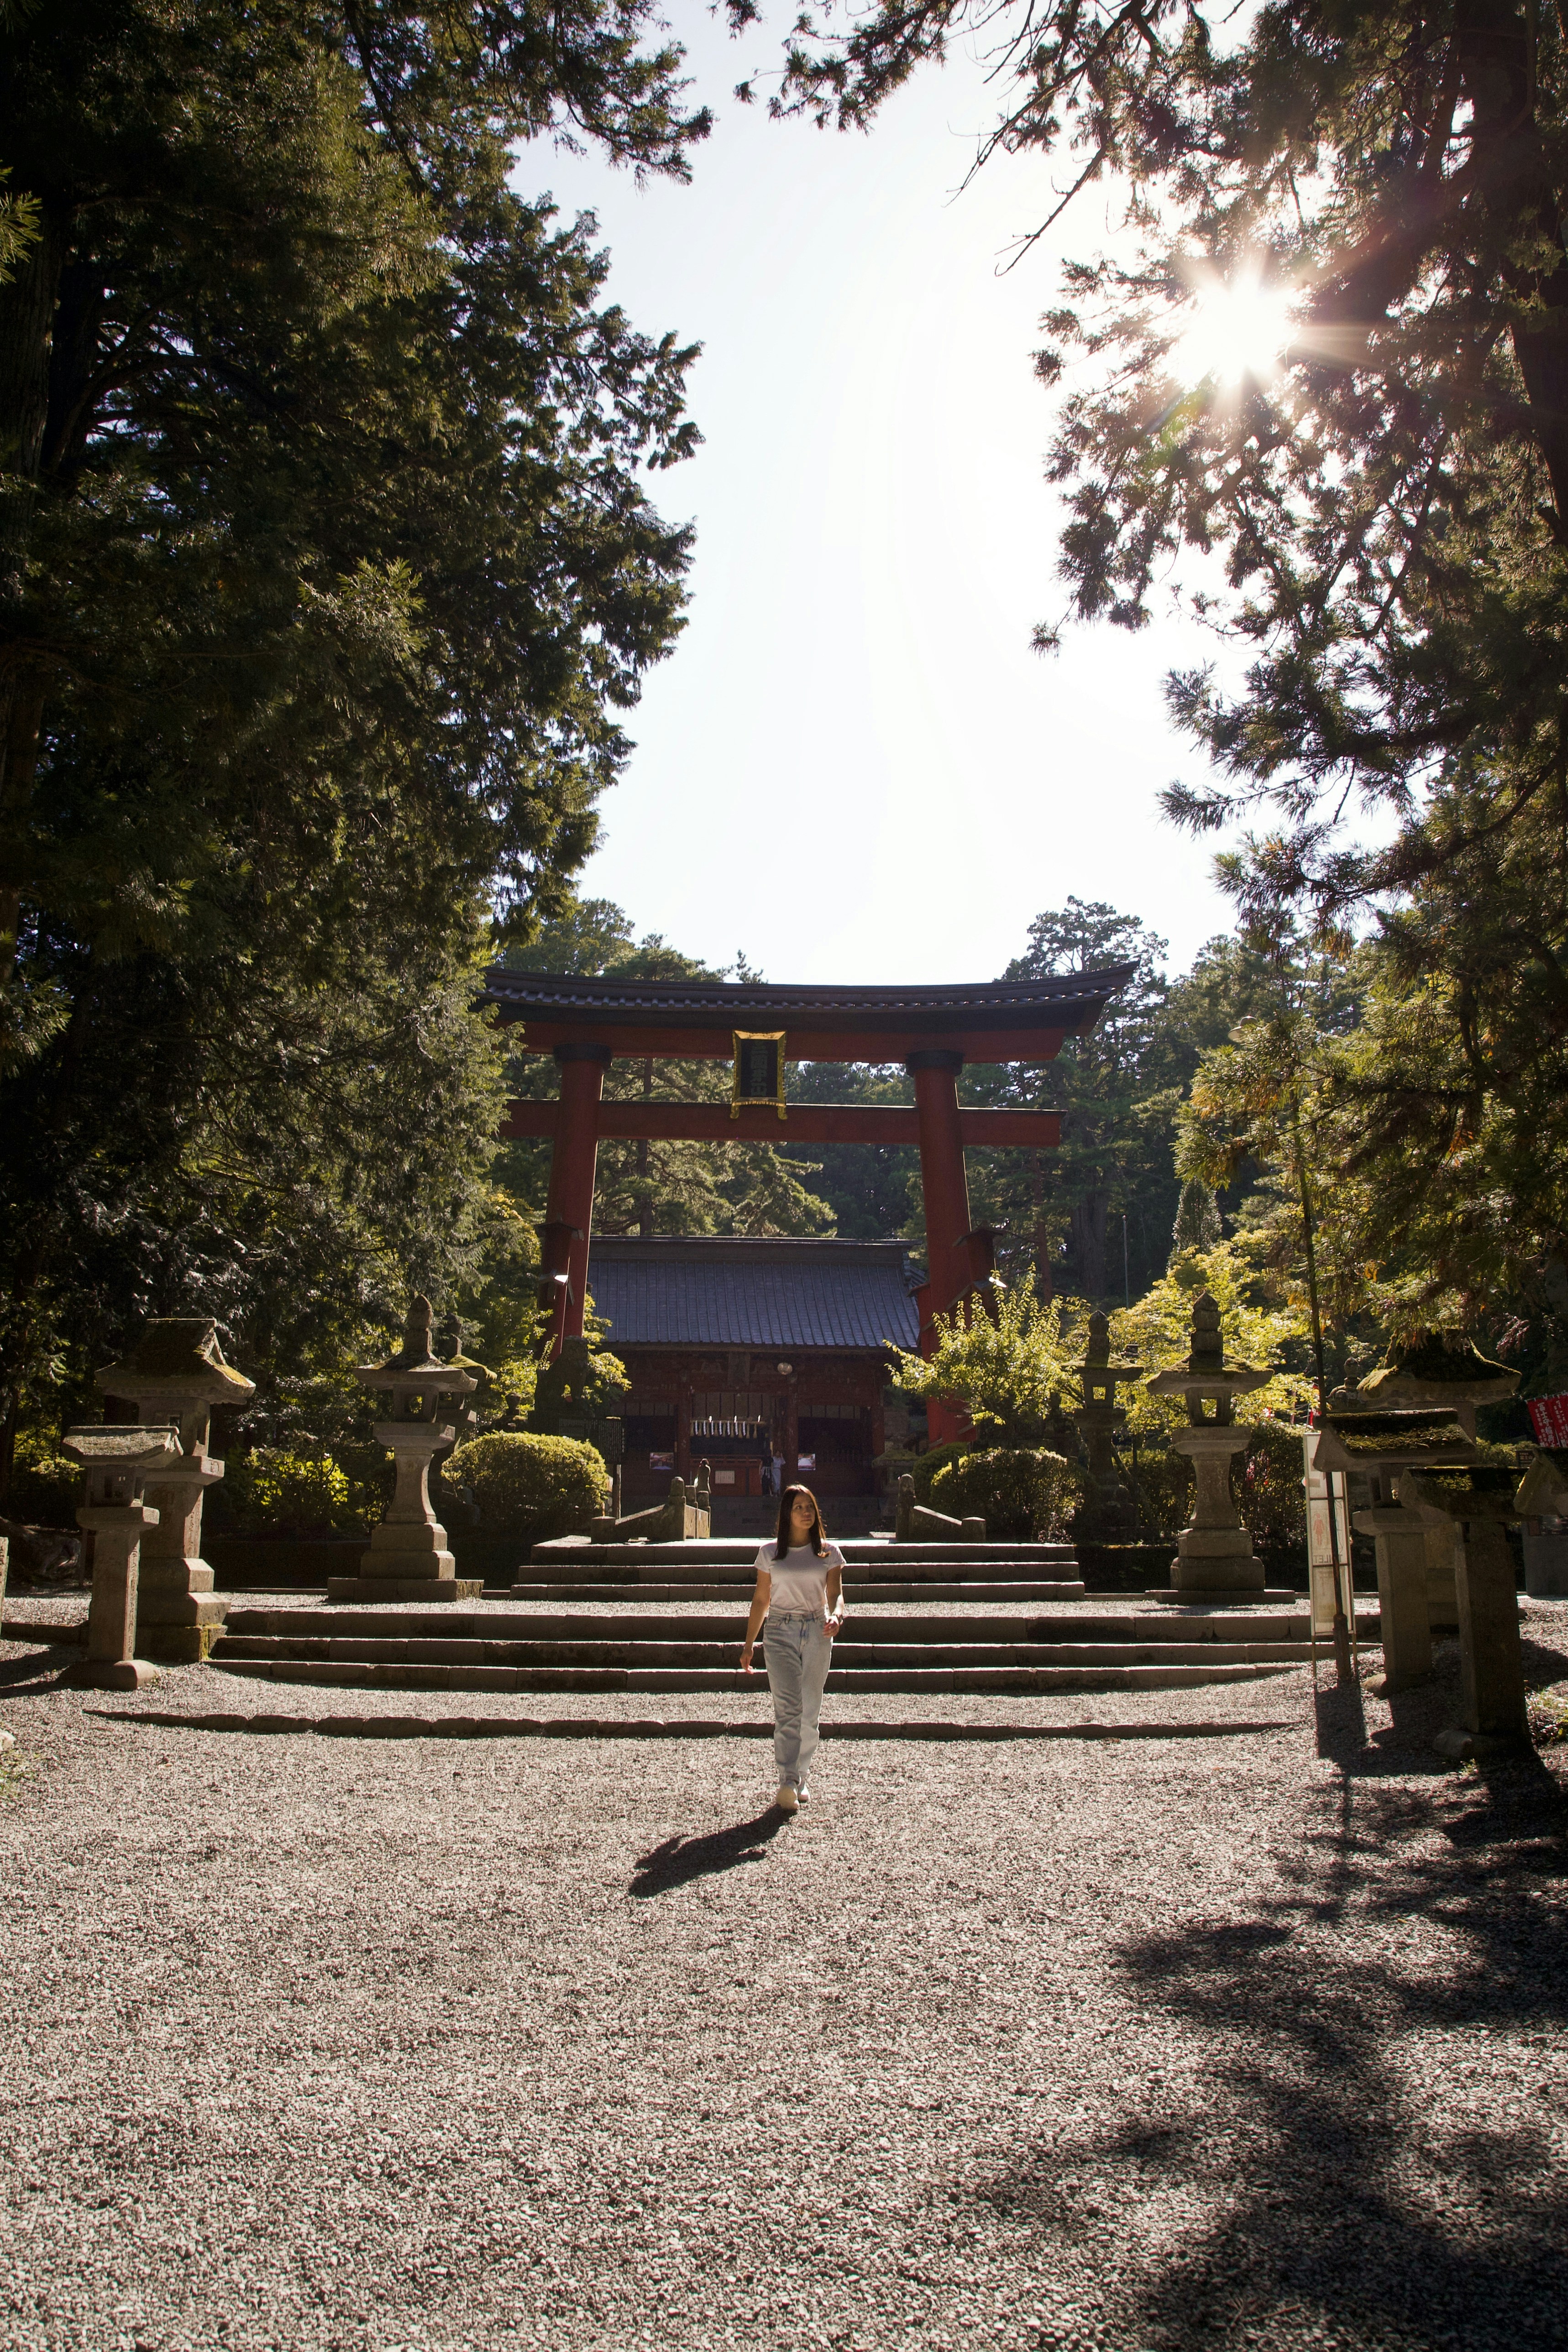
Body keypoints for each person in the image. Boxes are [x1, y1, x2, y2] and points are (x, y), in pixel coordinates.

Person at [740, 1484, 845, 1813]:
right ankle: (787, 1780)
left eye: (809, 1507)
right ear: (786, 1514)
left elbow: (836, 1595)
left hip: (817, 1629)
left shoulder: (829, 1552)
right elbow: (761, 1599)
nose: (805, 1512)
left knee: (810, 1710)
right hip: (779, 1631)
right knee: (788, 1707)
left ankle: (801, 1776)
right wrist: (748, 1645)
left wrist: (837, 1616)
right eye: (798, 1507)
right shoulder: (769, 1553)